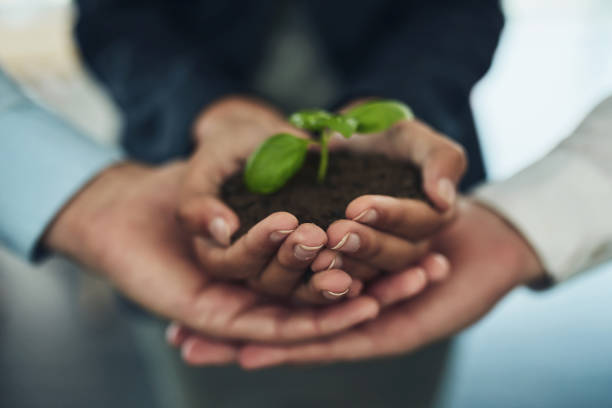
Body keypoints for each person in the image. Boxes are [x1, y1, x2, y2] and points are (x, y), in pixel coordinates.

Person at [70, 0, 504, 406]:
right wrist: (211, 108)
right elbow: (113, 18)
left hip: (407, 178)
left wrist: (396, 101)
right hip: (183, 170)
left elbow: (463, 9)